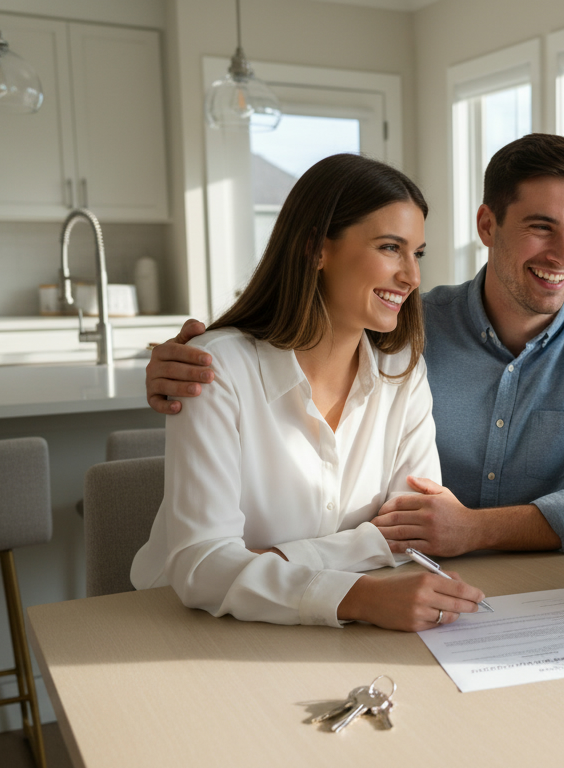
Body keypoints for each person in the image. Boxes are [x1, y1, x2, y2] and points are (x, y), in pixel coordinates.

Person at [143, 134, 564, 558]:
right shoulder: (406, 330)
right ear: (488, 225)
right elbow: (289, 333)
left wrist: (474, 530)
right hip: (389, 574)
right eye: (541, 227)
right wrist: (195, 361)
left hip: (495, 581)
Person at [131, 154, 486, 632]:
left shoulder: (403, 371)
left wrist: (278, 559)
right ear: (316, 249)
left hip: (330, 631)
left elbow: (412, 534)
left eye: (416, 253)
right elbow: (201, 566)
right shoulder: (215, 370)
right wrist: (358, 594)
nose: (412, 277)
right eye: (389, 248)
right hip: (186, 630)